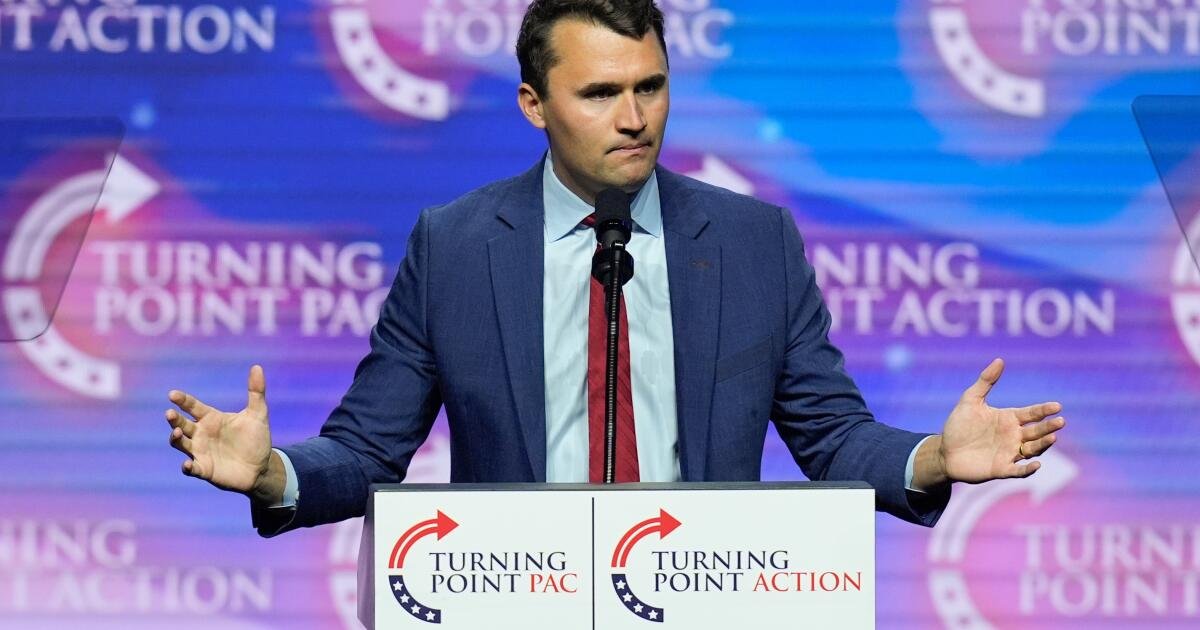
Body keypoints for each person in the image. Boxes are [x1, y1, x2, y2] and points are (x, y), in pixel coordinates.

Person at [164, 0, 1065, 536]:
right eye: (600, 93)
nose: (634, 118)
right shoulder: (455, 247)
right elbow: (368, 452)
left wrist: (934, 457)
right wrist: (273, 473)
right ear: (534, 104)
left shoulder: (754, 242)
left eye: (650, 87)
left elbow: (831, 438)